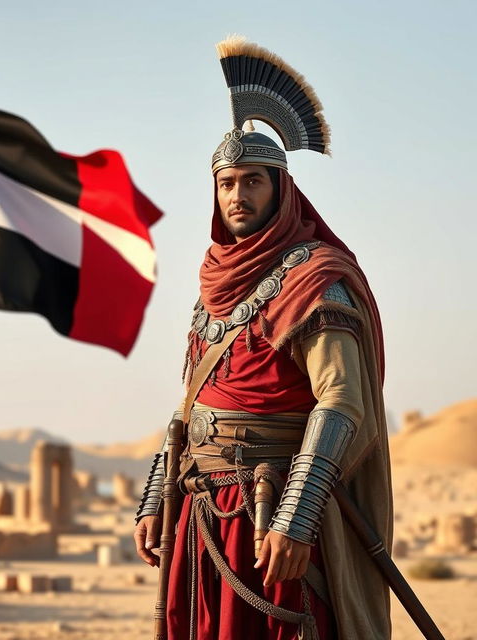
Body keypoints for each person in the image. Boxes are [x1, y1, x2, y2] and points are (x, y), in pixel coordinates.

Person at [135, 36, 392, 639]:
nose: (238, 196)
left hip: (271, 512)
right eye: (227, 184)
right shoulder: (212, 287)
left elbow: (342, 402)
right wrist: (155, 495)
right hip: (203, 512)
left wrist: (297, 518)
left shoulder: (316, 280)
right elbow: (190, 405)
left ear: (281, 187)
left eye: (253, 181)